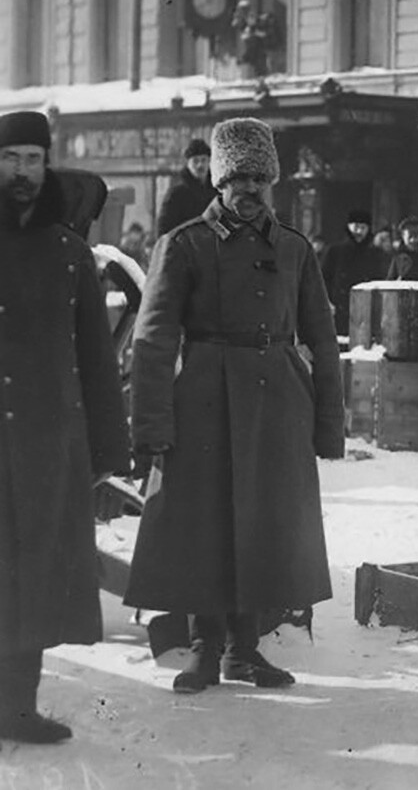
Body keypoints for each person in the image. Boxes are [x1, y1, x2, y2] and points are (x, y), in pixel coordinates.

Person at [124, 117, 344, 694]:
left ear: (271, 181)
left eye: (259, 178)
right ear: (219, 181)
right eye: (237, 177)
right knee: (205, 523)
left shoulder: (295, 249)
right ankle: (203, 649)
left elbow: (322, 340)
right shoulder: (184, 244)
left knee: (265, 524)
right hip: (203, 401)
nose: (248, 189)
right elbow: (151, 340)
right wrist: (151, 424)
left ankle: (246, 652)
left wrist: (327, 425)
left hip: (278, 403)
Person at [0, 110, 131, 744]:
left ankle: (18, 708)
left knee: (34, 578)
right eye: (9, 158)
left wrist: (110, 445)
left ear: (46, 164)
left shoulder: (70, 254)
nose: (21, 171)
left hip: (46, 444)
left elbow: (96, 359)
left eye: (31, 158)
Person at [321, 209, 388, 335]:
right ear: (348, 226)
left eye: (363, 227)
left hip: (367, 311)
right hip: (339, 310)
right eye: (356, 227)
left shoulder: (376, 255)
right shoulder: (335, 251)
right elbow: (323, 279)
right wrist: (327, 302)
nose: (359, 231)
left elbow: (382, 282)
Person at [156, 138, 216, 235]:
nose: (200, 165)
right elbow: (164, 229)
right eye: (195, 161)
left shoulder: (217, 191)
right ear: (188, 164)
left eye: (203, 160)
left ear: (209, 162)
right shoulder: (177, 194)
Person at [387, 216, 418, 281]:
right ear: (403, 235)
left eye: (417, 234)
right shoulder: (398, 257)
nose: (413, 240)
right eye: (410, 235)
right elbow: (389, 281)